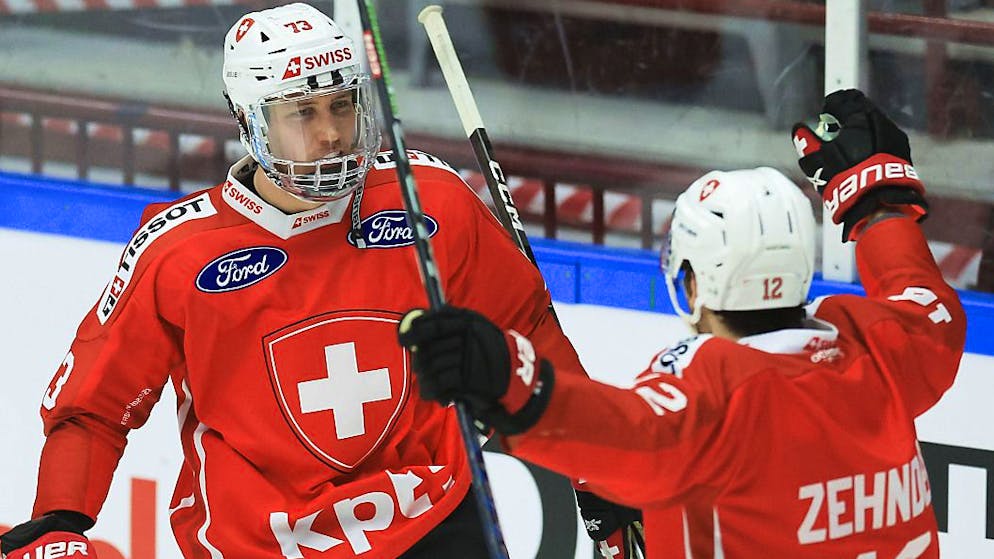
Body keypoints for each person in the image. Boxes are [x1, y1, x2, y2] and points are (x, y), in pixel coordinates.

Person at [0, 3, 593, 558]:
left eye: (342, 105)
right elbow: (93, 407)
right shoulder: (179, 252)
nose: (332, 133)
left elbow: (530, 329)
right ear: (249, 122)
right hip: (260, 542)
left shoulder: (431, 202)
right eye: (302, 112)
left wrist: (600, 473)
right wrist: (61, 520)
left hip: (432, 519)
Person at [397, 89, 965, 557]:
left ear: (693, 282)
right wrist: (878, 203)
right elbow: (923, 299)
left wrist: (503, 376)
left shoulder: (713, 395)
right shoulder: (887, 350)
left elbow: (618, 430)